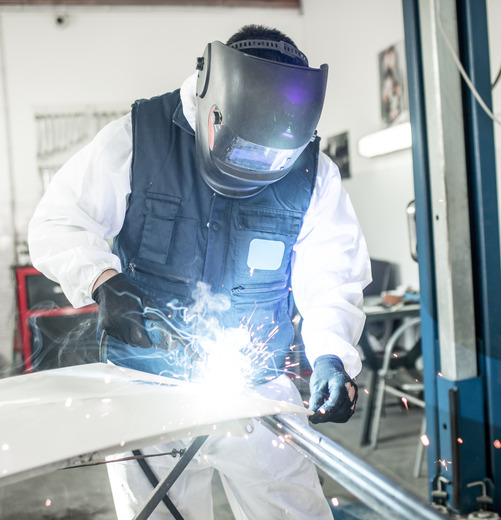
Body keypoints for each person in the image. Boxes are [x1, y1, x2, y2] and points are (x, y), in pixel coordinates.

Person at [28, 24, 371, 520]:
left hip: (256, 389)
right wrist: (104, 282)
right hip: (147, 386)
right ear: (214, 108)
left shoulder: (314, 171)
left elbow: (333, 276)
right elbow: (57, 221)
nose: (261, 165)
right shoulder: (137, 136)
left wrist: (332, 357)